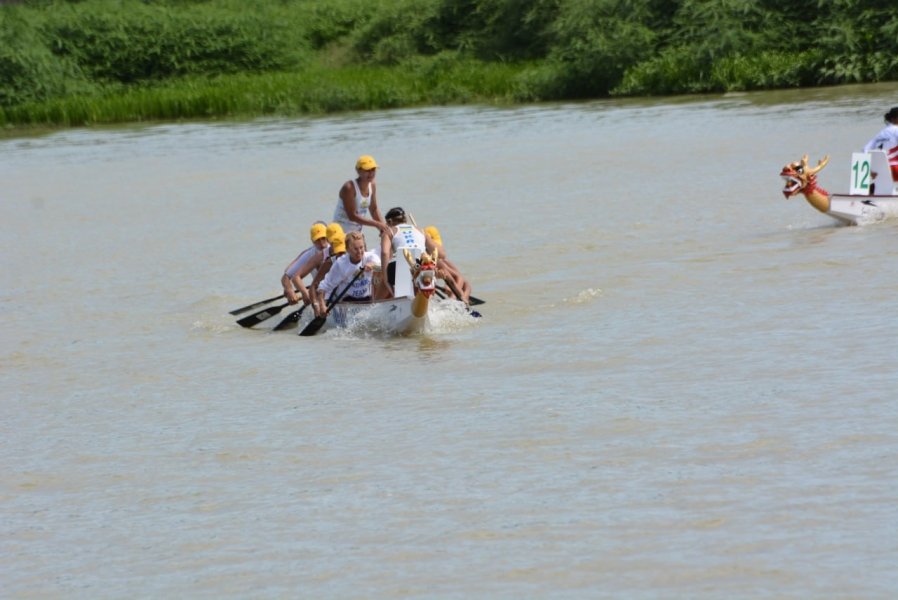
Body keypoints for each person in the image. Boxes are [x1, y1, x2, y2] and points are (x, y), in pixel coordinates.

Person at [313, 230, 381, 317]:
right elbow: (323, 287)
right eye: (355, 249)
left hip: (367, 298)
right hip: (347, 300)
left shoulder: (371, 257)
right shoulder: (341, 264)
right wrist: (322, 305)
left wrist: (372, 266)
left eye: (361, 247)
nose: (359, 252)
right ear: (347, 249)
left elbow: (382, 267)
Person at [379, 206, 434, 298]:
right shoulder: (420, 230)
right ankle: (425, 297)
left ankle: (373, 306)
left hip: (401, 265)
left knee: (384, 280)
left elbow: (385, 253)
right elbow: (441, 253)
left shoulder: (389, 231)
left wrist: (385, 279)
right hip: (423, 265)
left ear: (389, 222)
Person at [332, 155, 390, 238]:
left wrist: (383, 229)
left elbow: (374, 210)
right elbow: (352, 216)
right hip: (339, 233)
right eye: (367, 170)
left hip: (356, 233)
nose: (371, 173)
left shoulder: (372, 185)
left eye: (373, 169)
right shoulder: (349, 187)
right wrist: (377, 224)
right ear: (358, 171)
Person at [281, 222, 329, 305]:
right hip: (321, 290)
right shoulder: (310, 254)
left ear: (328, 237)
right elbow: (286, 277)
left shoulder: (336, 248)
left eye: (323, 238)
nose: (321, 243)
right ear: (312, 241)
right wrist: (290, 290)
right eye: (317, 240)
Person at [424, 225, 472, 304]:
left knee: (466, 286)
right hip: (424, 293)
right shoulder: (422, 258)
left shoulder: (441, 261)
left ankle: (459, 301)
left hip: (454, 292)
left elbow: (462, 280)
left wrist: (454, 294)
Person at [863, 106, 898, 181]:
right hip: (895, 170)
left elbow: (864, 150)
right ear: (893, 119)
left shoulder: (881, 133)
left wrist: (869, 170)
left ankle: (873, 188)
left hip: (880, 170)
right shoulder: (896, 130)